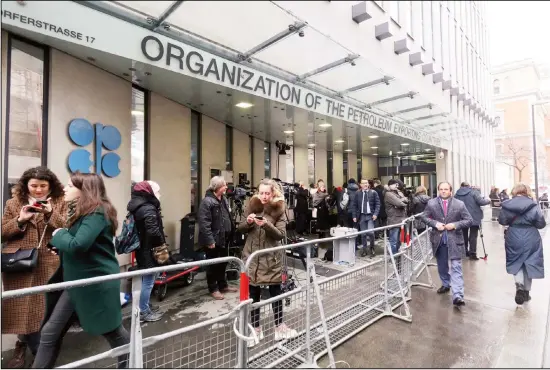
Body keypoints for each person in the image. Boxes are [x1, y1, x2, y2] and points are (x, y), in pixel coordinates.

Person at [33, 172, 129, 368]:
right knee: (50, 332)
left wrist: (59, 234)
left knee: (113, 332)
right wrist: (60, 243)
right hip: (76, 282)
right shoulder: (82, 211)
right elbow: (76, 241)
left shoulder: (97, 212)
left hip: (95, 284)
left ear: (83, 190)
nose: (65, 189)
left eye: (70, 185)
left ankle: (130, 363)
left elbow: (78, 244)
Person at [1, 167, 66, 369]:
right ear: (26, 185)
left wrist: (50, 214)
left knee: (43, 310)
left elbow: (67, 227)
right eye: (34, 185)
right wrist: (20, 220)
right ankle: (23, 346)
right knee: (22, 309)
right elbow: (3, 232)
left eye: (43, 186)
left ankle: (40, 354)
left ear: (51, 185)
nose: (38, 190)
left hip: (49, 262)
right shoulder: (13, 203)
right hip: (19, 263)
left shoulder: (60, 202)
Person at [238, 179, 297, 347]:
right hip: (252, 257)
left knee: (275, 293)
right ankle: (256, 329)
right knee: (253, 295)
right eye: (261, 193)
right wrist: (248, 223)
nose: (264, 196)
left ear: (273, 194)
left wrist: (266, 225)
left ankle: (280, 327)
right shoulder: (251, 206)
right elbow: (240, 228)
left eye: (267, 193)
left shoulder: (279, 208)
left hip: (271, 258)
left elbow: (280, 235)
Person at [420, 182, 473, 308]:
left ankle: (458, 295)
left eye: (446, 189)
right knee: (442, 265)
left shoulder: (459, 204)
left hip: (454, 239)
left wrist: (455, 225)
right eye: (441, 189)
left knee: (456, 267)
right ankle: (445, 283)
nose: (443, 191)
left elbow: (469, 220)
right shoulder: (431, 203)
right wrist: (434, 223)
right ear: (438, 190)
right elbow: (424, 217)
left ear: (450, 191)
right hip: (439, 240)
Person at [498, 183, 546, 305]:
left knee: (516, 261)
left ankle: (519, 285)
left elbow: (502, 220)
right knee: (530, 262)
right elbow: (541, 223)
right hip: (531, 236)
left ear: (514, 192)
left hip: (513, 235)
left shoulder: (507, 205)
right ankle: (526, 292)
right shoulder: (534, 205)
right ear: (527, 191)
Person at [127, 180, 166, 322]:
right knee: (149, 281)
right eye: (157, 191)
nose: (159, 194)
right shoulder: (148, 208)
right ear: (149, 192)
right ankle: (143, 311)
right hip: (150, 250)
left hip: (143, 248)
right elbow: (153, 231)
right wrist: (161, 246)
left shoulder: (138, 206)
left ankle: (145, 305)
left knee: (147, 279)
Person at [197, 176, 237, 300]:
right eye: (224, 185)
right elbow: (204, 223)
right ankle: (213, 288)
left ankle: (223, 285)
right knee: (212, 265)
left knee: (223, 263)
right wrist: (210, 240)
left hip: (224, 238)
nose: (226, 187)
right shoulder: (207, 202)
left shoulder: (223, 199)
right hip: (213, 240)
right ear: (218, 187)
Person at [454, 182, 491, 260]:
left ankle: (464, 252)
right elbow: (481, 202)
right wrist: (488, 200)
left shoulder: (457, 194)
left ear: (461, 186)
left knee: (463, 235)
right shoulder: (474, 192)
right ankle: (472, 254)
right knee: (473, 236)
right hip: (474, 217)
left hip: (462, 217)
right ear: (469, 186)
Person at [351, 178, 380, 258]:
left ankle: (372, 248)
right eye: (363, 183)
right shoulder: (358, 193)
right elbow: (354, 205)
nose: (365, 184)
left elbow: (378, 204)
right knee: (363, 234)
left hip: (370, 216)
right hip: (362, 215)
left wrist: (375, 214)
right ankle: (364, 250)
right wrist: (354, 216)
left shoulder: (373, 193)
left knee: (371, 232)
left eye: (366, 183)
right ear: (360, 185)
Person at [384, 179, 409, 255]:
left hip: (401, 219)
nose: (396, 186)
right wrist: (402, 201)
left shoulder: (398, 192)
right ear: (390, 185)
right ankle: (393, 256)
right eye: (395, 184)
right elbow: (400, 204)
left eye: (397, 184)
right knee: (394, 240)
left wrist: (402, 201)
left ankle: (396, 255)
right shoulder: (388, 194)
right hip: (394, 220)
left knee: (399, 240)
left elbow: (406, 201)